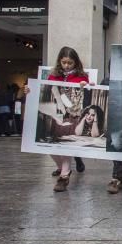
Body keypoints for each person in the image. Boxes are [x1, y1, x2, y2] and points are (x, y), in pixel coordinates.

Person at [38, 47, 91, 192]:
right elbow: (45, 91)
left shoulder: (82, 77)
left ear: (76, 62)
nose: (67, 66)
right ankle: (62, 166)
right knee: (49, 145)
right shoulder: (53, 76)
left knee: (65, 143)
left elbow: (87, 94)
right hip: (56, 114)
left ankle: (64, 175)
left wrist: (84, 86)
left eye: (70, 63)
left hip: (72, 115)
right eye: (64, 62)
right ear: (59, 61)